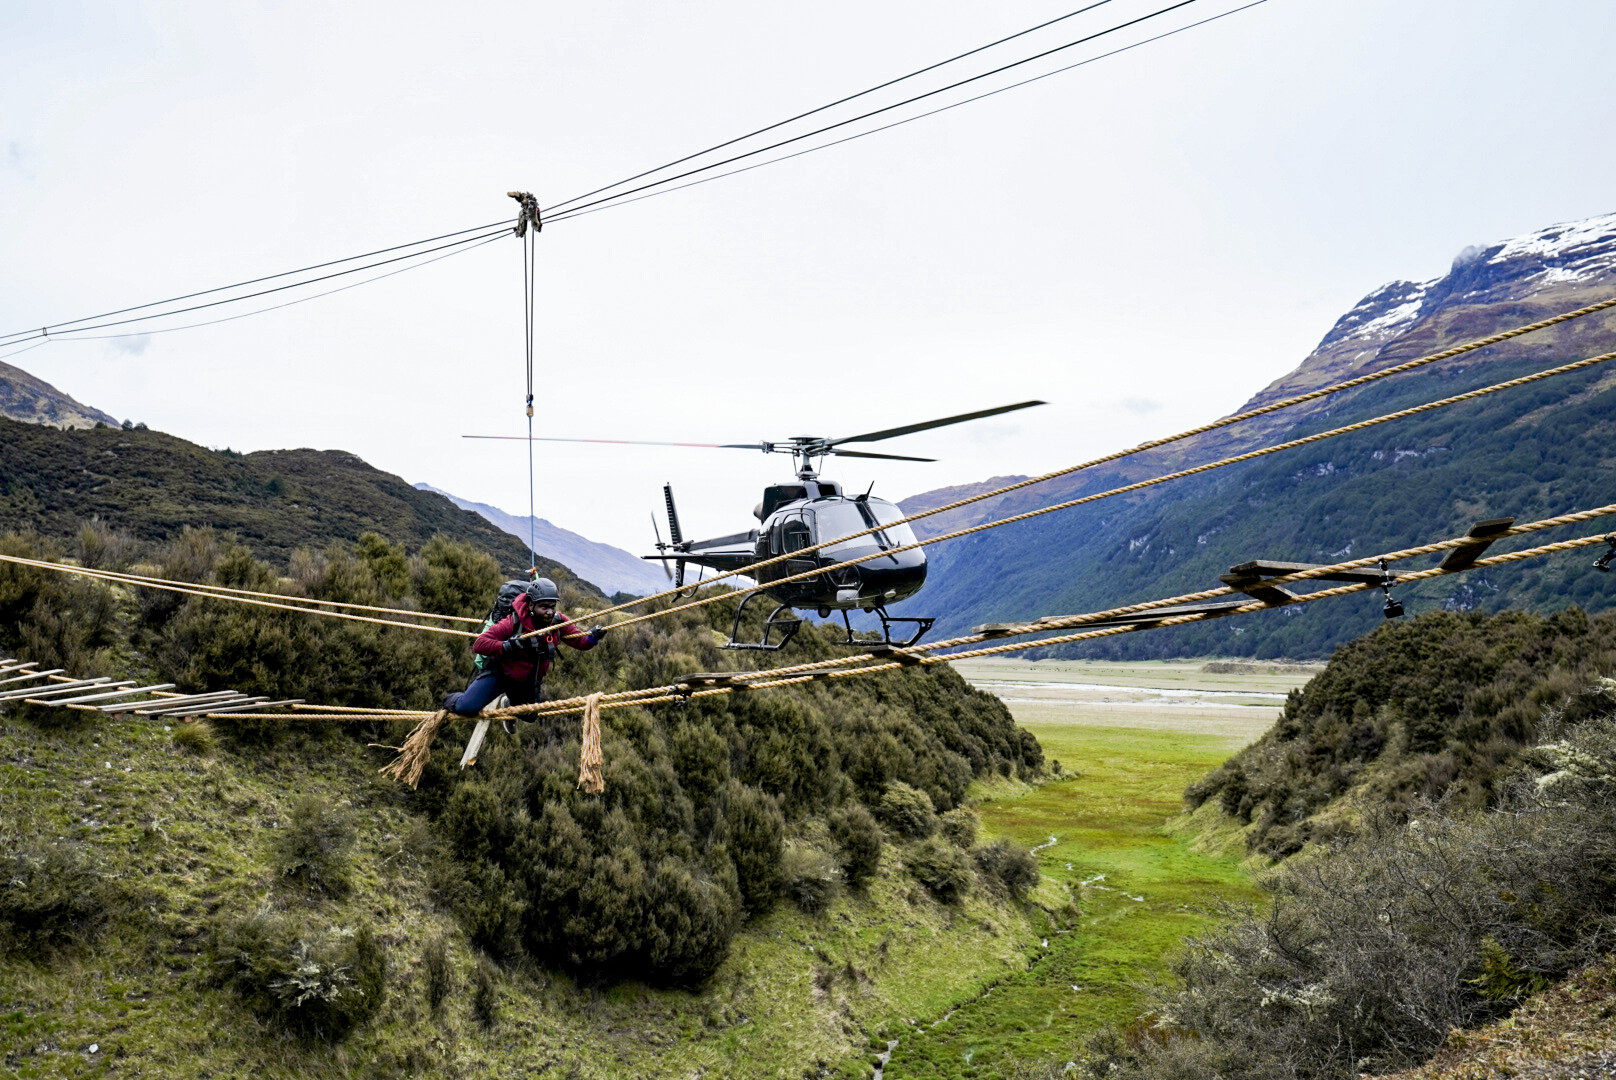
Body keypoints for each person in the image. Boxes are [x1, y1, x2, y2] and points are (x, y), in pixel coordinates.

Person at [442, 577, 605, 732]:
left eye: (552, 606)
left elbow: (580, 641)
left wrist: (592, 637)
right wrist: (506, 646)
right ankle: (450, 700)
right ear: (532, 605)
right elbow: (480, 644)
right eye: (544, 607)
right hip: (500, 673)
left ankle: (509, 704)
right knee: (466, 708)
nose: (549, 612)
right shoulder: (513, 621)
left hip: (527, 680)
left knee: (529, 716)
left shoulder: (557, 622)